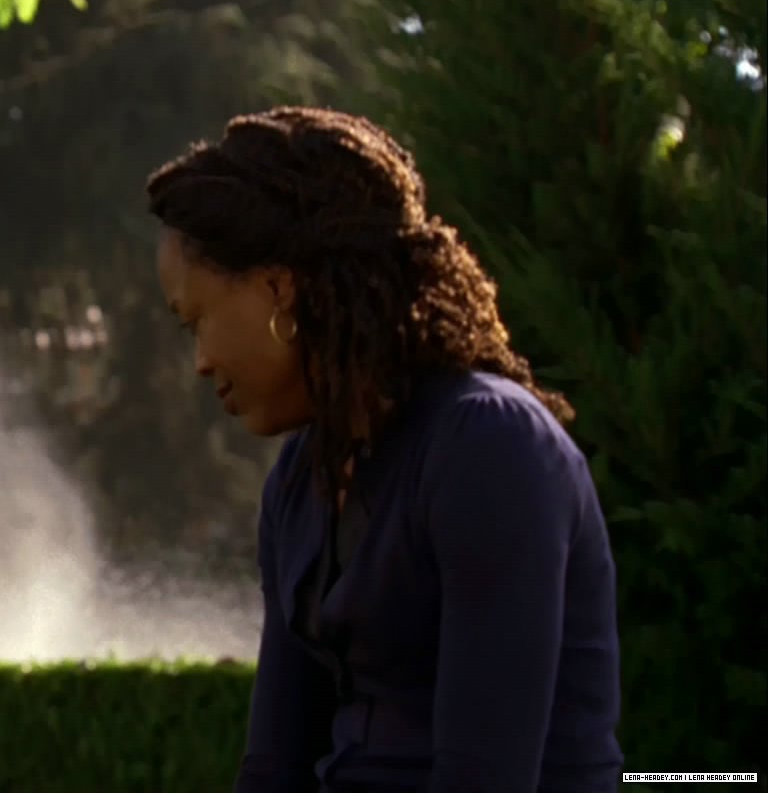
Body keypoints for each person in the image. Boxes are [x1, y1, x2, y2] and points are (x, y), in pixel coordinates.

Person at [145, 107, 622, 792]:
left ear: (279, 288)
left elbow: (485, 777)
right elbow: (275, 766)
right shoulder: (300, 481)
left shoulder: (487, 446)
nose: (199, 361)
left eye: (198, 320)